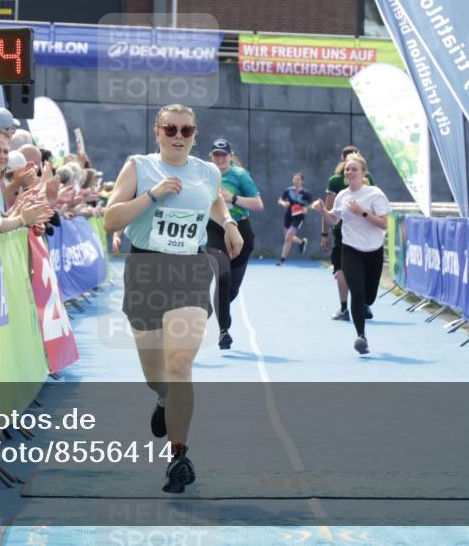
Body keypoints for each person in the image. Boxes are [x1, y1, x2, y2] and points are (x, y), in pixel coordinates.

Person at [103, 104, 243, 493]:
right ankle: (163, 400)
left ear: (195, 134)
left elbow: (212, 199)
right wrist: (152, 194)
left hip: (189, 271)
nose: (178, 135)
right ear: (158, 132)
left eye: (186, 129)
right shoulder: (138, 166)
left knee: (180, 362)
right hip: (145, 271)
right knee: (156, 376)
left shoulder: (207, 171)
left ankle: (178, 455)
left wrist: (228, 223)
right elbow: (111, 220)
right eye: (171, 129)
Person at [311, 154, 390, 355]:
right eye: (347, 169)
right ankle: (361, 336)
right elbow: (334, 220)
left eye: (354, 169)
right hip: (350, 248)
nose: (349, 172)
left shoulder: (375, 194)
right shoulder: (342, 195)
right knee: (357, 291)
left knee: (369, 297)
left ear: (363, 172)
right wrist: (322, 211)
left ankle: (365, 307)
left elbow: (384, 223)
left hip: (373, 250)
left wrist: (362, 212)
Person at [205, 138, 263, 350]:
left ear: (230, 156)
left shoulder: (240, 175)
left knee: (232, 288)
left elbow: (258, 204)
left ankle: (218, 309)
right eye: (216, 155)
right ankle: (223, 331)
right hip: (215, 230)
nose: (219, 158)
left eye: (223, 155)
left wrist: (233, 199)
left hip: (241, 230)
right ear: (211, 157)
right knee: (222, 276)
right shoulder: (206, 175)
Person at [323, 145, 376, 320]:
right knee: (363, 267)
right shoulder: (367, 178)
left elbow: (329, 209)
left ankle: (345, 308)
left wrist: (324, 234)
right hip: (362, 229)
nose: (350, 172)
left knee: (341, 270)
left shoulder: (335, 180)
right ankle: (364, 305)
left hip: (343, 231)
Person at [277, 172, 313, 264]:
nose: (295, 181)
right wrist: (284, 203)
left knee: (289, 236)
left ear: (302, 181)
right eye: (294, 179)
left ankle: (282, 260)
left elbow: (311, 205)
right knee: (288, 237)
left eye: (298, 179)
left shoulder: (306, 193)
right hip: (288, 215)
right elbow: (280, 200)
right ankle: (301, 242)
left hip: (299, 217)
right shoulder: (288, 190)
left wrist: (306, 208)